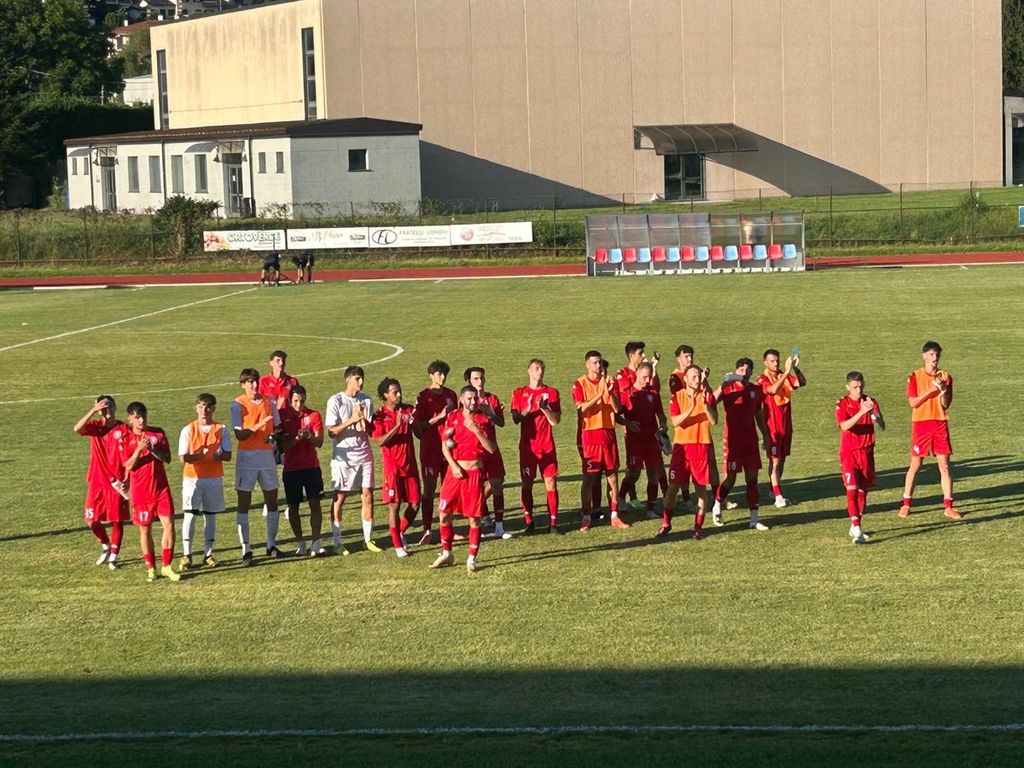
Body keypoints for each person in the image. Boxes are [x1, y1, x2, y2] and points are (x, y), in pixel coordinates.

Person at [430, 386, 498, 573]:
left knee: (474, 519)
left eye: (475, 398)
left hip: (474, 474)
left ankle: (471, 559)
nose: (473, 402)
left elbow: (491, 448)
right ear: (461, 400)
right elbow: (444, 445)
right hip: (454, 473)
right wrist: (453, 465)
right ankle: (447, 553)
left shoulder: (483, 419)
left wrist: (476, 430)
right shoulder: (453, 417)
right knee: (444, 514)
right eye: (469, 398)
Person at [899, 341, 959, 519]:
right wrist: (931, 390)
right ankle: (906, 503)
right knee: (915, 465)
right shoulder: (914, 376)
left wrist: (943, 391)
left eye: (937, 355)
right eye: (932, 354)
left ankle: (948, 506)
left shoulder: (945, 376)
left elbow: (946, 404)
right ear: (924, 356)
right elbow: (913, 402)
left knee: (944, 466)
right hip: (921, 423)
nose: (935, 358)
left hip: (940, 423)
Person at [120, 402, 179, 582]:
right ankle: (151, 567)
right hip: (141, 492)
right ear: (130, 419)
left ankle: (167, 566)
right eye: (137, 417)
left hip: (161, 489)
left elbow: (167, 458)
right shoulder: (126, 438)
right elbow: (128, 465)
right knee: (145, 530)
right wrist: (139, 450)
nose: (141, 420)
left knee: (169, 525)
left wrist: (152, 449)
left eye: (143, 416)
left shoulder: (158, 433)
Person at [659, 365, 719, 540]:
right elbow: (675, 421)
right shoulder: (677, 397)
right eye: (693, 377)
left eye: (698, 376)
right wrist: (691, 408)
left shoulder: (707, 395)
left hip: (701, 446)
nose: (696, 380)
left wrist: (705, 406)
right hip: (681, 447)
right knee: (673, 488)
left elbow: (714, 421)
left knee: (700, 489)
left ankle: (698, 527)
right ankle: (666, 523)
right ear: (685, 379)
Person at [230, 368, 282, 565]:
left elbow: (277, 427)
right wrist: (258, 426)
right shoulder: (237, 404)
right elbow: (239, 434)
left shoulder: (270, 401)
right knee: (244, 503)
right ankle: (246, 550)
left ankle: (271, 545)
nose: (253, 385)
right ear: (242, 384)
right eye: (249, 382)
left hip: (266, 457)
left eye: (255, 381)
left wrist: (273, 437)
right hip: (247, 459)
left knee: (272, 500)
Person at [712, 359, 771, 530]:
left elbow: (758, 414)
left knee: (752, 480)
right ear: (735, 371)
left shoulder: (755, 390)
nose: (744, 372)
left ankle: (754, 519)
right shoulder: (728, 388)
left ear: (751, 371)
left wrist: (765, 435)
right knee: (730, 479)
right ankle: (717, 505)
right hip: (733, 442)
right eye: (741, 369)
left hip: (750, 442)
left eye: (747, 369)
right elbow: (711, 401)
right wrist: (723, 384)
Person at [326, 366, 379, 554]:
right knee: (340, 497)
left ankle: (368, 539)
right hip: (344, 457)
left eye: (362, 378)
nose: (361, 382)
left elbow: (370, 430)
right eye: (357, 378)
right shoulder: (336, 400)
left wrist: (364, 421)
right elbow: (332, 432)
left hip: (364, 453)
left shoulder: (366, 400)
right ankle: (337, 542)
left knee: (368, 494)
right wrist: (352, 419)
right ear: (348, 380)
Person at [572, 350, 626, 531]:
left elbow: (617, 409)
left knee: (612, 476)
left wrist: (609, 393)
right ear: (587, 364)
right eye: (595, 363)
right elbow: (581, 408)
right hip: (589, 434)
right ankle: (586, 516)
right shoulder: (580, 383)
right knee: (589, 477)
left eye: (600, 363)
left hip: (608, 433)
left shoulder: (611, 382)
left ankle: (614, 515)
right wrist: (599, 395)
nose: (598, 366)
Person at [73, 395, 129, 570]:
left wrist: (127, 478)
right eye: (103, 407)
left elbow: (130, 455)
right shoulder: (95, 427)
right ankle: (105, 544)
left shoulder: (123, 429)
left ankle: (113, 557)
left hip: (116, 483)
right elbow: (77, 428)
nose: (107, 410)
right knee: (91, 520)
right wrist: (93, 410)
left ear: (115, 407)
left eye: (109, 406)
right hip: (97, 480)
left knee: (116, 520)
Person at [178, 393, 232, 570]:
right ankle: (187, 554)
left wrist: (218, 456)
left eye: (207, 407)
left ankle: (208, 554)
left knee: (210, 516)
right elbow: (183, 457)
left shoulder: (221, 429)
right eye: (201, 406)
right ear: (196, 408)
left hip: (213, 478)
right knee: (190, 514)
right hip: (192, 478)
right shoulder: (188, 430)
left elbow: (228, 455)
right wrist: (198, 456)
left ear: (213, 409)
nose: (204, 410)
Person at [510, 359, 562, 535]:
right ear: (529, 371)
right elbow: (515, 419)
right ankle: (529, 521)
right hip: (528, 447)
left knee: (551, 482)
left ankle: (553, 523)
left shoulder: (551, 393)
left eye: (542, 369)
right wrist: (527, 409)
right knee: (527, 483)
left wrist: (545, 409)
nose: (540, 372)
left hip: (546, 445)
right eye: (536, 368)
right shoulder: (519, 393)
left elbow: (555, 421)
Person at [371, 378, 421, 558]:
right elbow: (379, 441)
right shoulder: (379, 415)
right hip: (392, 468)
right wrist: (398, 426)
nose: (399, 394)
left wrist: (414, 422)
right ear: (385, 395)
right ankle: (398, 545)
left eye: (399, 391)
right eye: (395, 392)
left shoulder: (407, 410)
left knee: (415, 504)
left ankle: (400, 531)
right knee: (395, 505)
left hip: (410, 465)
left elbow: (419, 434)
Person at [836, 371, 885, 544]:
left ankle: (856, 525)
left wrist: (872, 414)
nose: (859, 390)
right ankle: (856, 526)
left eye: (861, 386)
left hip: (866, 452)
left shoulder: (871, 401)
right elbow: (844, 426)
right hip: (849, 452)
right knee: (852, 488)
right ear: (848, 387)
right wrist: (860, 412)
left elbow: (881, 426)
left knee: (863, 490)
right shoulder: (842, 403)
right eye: (855, 387)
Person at [413, 360, 459, 545]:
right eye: (439, 374)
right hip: (430, 450)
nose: (443, 377)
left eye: (445, 374)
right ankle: (427, 530)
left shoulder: (451, 395)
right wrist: (438, 417)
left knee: (449, 490)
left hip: (449, 449)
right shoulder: (424, 396)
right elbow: (418, 427)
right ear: (431, 375)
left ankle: (448, 529)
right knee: (429, 490)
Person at [464, 366, 512, 540]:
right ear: (469, 381)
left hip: (491, 449)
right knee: (475, 488)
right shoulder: (466, 400)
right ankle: (480, 518)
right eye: (476, 379)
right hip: (474, 451)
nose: (480, 381)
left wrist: (490, 413)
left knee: (496, 484)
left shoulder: (492, 399)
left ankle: (499, 526)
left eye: (482, 378)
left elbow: (501, 422)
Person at [756, 348, 806, 508]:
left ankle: (773, 490)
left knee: (782, 459)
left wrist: (795, 368)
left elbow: (801, 383)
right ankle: (778, 496)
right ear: (765, 362)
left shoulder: (782, 375)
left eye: (777, 360)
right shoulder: (762, 379)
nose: (776, 363)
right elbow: (772, 390)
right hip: (773, 428)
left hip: (786, 426)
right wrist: (786, 372)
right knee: (775, 461)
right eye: (772, 361)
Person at [279, 385, 325, 557]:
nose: (299, 405)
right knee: (293, 507)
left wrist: (309, 436)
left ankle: (316, 542)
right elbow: (282, 446)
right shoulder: (283, 417)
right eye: (296, 401)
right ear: (290, 400)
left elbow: (319, 442)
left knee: (315, 504)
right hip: (291, 468)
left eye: (302, 401)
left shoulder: (314, 415)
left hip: (311, 467)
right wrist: (297, 439)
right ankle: (300, 542)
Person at [620, 362, 667, 519]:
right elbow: (616, 414)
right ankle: (621, 496)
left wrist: (663, 425)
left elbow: (660, 414)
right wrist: (627, 423)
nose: (647, 380)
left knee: (653, 473)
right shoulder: (627, 394)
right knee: (634, 473)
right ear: (637, 375)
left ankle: (650, 508)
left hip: (651, 439)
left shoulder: (653, 393)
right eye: (644, 377)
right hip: (634, 441)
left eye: (649, 377)